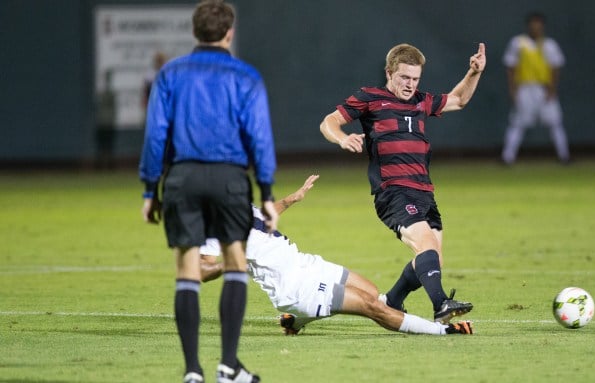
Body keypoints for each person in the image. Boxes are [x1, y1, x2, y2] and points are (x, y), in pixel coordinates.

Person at [138, 1, 276, 382]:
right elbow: (259, 137)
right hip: (230, 178)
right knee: (234, 262)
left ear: (196, 32)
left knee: (187, 268)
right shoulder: (245, 76)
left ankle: (193, 371)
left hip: (182, 177)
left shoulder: (171, 73)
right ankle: (229, 365)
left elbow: (155, 136)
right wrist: (266, 190)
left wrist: (151, 189)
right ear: (228, 32)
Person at [319, 43, 486, 323]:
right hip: (393, 191)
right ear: (389, 72)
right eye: (404, 78)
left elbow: (459, 100)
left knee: (432, 259)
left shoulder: (422, 100)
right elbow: (328, 122)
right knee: (427, 248)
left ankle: (392, 301)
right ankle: (441, 304)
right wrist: (342, 137)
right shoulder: (370, 97)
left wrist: (474, 73)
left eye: (415, 79)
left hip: (424, 191)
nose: (410, 85)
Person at [200, 175, 474, 336]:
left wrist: (293, 199)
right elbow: (202, 270)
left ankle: (296, 322)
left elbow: (265, 216)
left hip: (306, 264)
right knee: (374, 307)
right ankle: (443, 331)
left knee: (372, 291)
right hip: (296, 289)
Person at [501, 12, 570, 165]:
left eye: (538, 25)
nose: (535, 28)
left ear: (542, 27)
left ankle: (564, 156)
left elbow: (555, 68)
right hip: (524, 88)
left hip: (543, 88)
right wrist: (512, 89)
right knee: (517, 123)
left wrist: (552, 89)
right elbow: (510, 67)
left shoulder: (550, 44)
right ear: (528, 26)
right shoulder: (518, 43)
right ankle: (507, 157)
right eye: (533, 25)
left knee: (555, 122)